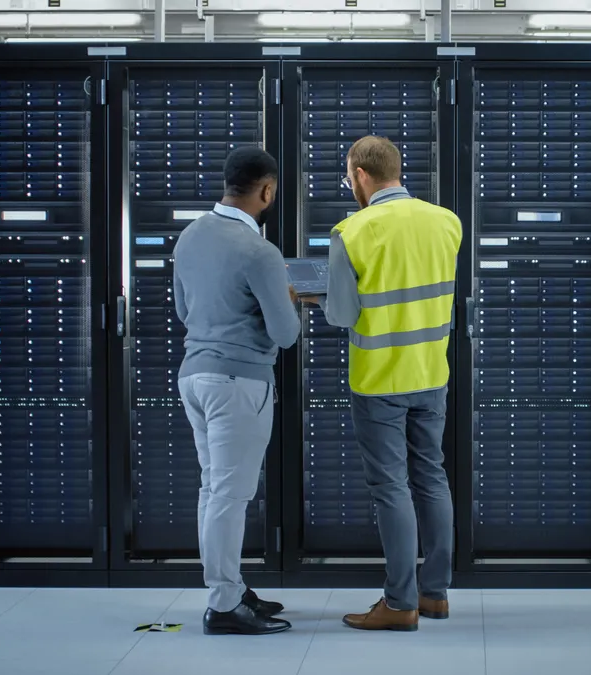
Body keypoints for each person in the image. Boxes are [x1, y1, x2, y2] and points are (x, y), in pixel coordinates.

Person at [309, 136, 462, 632]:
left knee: (391, 487)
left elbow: (341, 312)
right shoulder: (446, 221)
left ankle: (399, 603)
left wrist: (315, 296)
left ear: (359, 175)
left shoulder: (352, 231)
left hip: (379, 379)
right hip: (431, 373)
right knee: (432, 478)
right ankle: (434, 594)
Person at [173, 147, 300, 636]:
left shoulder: (189, 236)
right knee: (231, 493)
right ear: (266, 191)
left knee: (214, 489)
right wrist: (288, 298)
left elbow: (185, 312)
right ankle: (224, 603)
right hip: (238, 382)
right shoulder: (259, 251)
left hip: (195, 376)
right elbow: (285, 334)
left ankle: (231, 586)